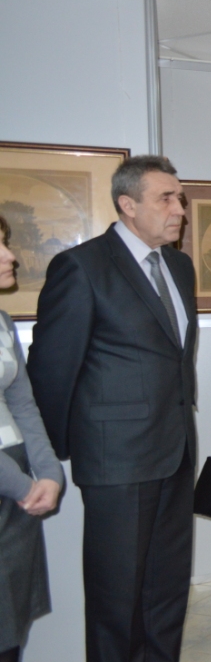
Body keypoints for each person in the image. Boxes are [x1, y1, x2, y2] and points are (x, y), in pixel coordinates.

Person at [27, 155, 198, 662]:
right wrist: (55, 453)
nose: (179, 209)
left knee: (167, 587)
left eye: (180, 198)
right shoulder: (82, 267)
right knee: (116, 597)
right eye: (166, 198)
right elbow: (52, 369)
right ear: (128, 204)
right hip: (116, 461)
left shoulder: (179, 266)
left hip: (175, 452)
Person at [0, 216, 64, 662]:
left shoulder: (3, 322)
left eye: (5, 243)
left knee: (10, 625)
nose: (11, 256)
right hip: (12, 483)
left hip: (17, 480)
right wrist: (24, 486)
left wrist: (50, 472)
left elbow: (23, 403)